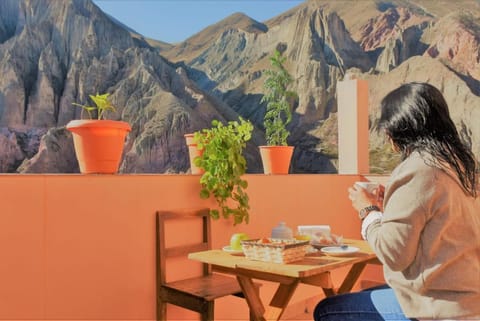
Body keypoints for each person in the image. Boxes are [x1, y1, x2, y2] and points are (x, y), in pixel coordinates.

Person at [314, 82, 480, 321]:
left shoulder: (419, 170)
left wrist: (368, 210)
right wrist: (388, 208)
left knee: (327, 310)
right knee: (367, 294)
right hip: (469, 300)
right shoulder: (461, 166)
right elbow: (432, 227)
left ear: (398, 130)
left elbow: (393, 253)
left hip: (439, 307)